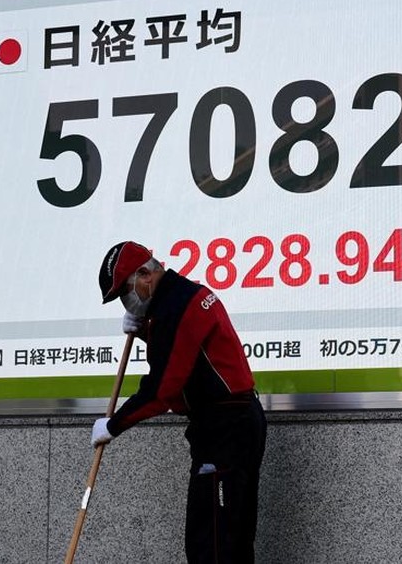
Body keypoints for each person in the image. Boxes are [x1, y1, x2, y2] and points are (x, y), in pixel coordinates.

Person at [92, 240, 267, 563]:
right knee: (232, 537)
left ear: (145, 274)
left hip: (225, 429)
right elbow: (185, 354)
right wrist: (145, 331)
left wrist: (113, 425)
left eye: (125, 292)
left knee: (212, 543)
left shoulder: (177, 307)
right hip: (234, 424)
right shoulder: (181, 298)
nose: (126, 303)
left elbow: (162, 390)